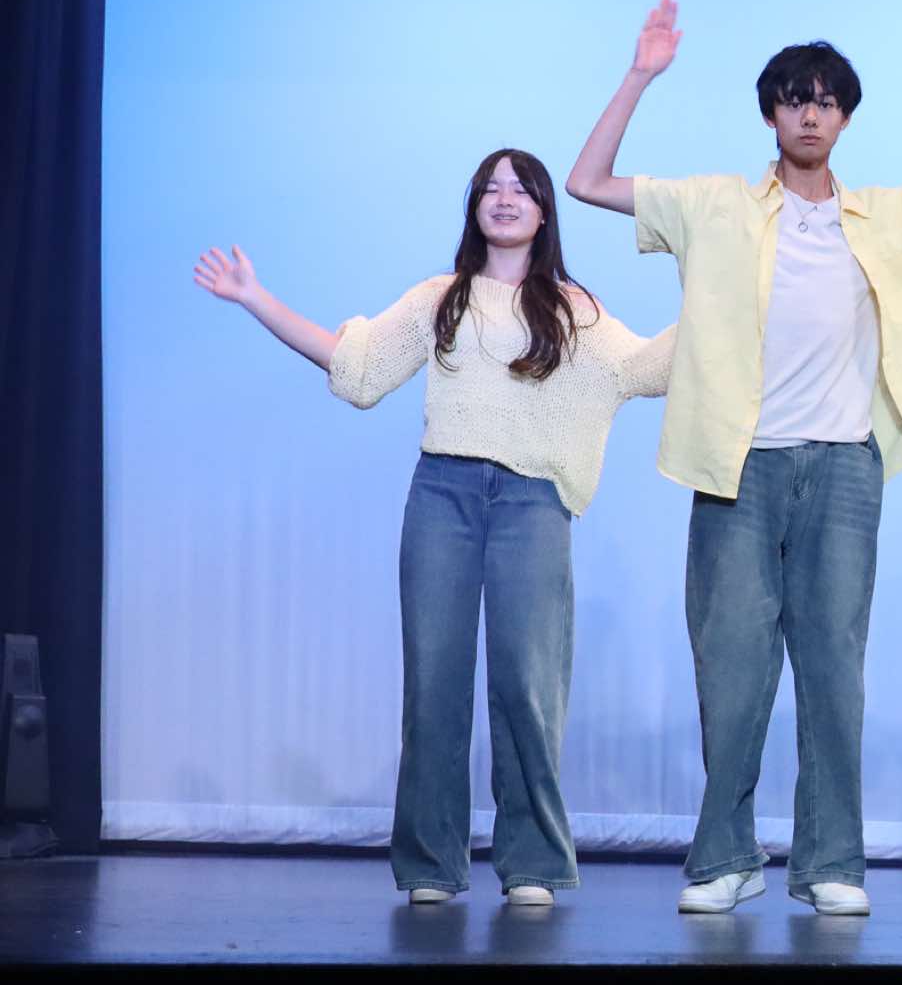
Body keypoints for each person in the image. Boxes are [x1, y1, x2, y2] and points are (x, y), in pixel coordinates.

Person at [566, 0, 902, 917]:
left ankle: (831, 862)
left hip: (845, 466)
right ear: (770, 114)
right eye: (793, 99)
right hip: (738, 464)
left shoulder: (890, 215)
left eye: (825, 101)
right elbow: (586, 181)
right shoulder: (714, 204)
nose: (809, 114)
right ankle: (724, 856)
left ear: (845, 117)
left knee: (833, 669)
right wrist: (641, 73)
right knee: (733, 667)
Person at [193, 148, 675, 906]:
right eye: (491, 187)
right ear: (475, 207)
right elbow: (356, 369)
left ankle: (533, 864)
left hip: (532, 500)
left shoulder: (573, 310)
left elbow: (644, 369)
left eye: (521, 189)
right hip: (443, 494)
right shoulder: (440, 298)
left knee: (528, 682)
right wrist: (256, 297)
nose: (504, 198)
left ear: (544, 212)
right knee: (434, 681)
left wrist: (720, 300)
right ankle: (429, 864)